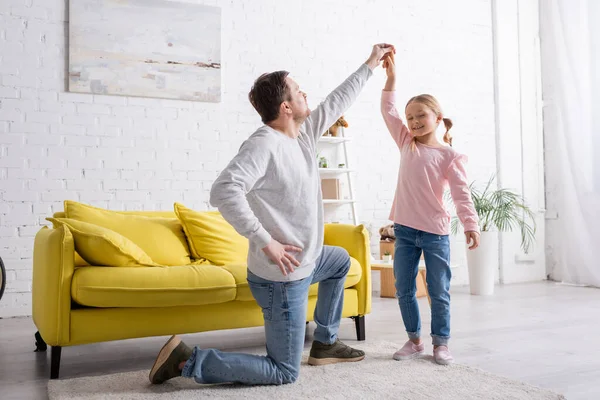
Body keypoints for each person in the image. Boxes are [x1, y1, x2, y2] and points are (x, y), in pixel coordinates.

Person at [149, 43, 395, 386]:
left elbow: (337, 100)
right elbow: (223, 190)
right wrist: (265, 241)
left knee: (339, 261)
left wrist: (370, 64)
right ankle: (187, 361)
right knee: (284, 371)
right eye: (298, 91)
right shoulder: (263, 144)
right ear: (286, 106)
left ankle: (324, 342)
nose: (305, 93)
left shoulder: (302, 135)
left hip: (307, 261)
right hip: (282, 280)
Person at [380, 51, 480, 365]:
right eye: (410, 118)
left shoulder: (450, 156)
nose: (413, 122)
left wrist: (470, 225)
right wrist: (392, 80)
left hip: (435, 233)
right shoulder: (405, 142)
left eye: (421, 116)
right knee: (403, 288)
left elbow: (462, 195)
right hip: (405, 231)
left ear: (437, 118)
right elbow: (388, 109)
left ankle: (441, 344)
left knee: (439, 291)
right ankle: (414, 340)